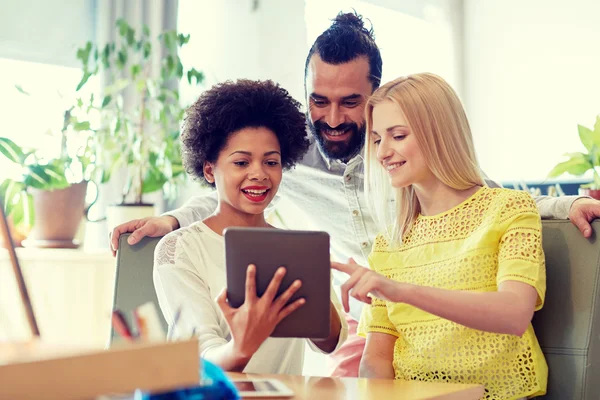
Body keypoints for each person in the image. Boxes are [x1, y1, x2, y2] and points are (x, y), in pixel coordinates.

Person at [112, 12, 600, 377]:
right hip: (369, 320)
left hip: (395, 315)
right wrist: (172, 220)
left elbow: (478, 194)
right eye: (319, 101)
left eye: (351, 103)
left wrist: (566, 203)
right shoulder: (286, 151)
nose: (333, 118)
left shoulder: (405, 159)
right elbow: (234, 188)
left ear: (376, 93)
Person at [333, 73, 546, 399]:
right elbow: (376, 359)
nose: (383, 153)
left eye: (398, 135)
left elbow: (514, 313)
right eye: (377, 139)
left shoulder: (509, 209)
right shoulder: (388, 245)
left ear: (439, 134)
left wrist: (400, 291)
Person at [153, 79, 347, 374]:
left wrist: (312, 280)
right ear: (209, 169)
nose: (259, 174)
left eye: (271, 162)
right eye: (241, 163)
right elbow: (199, 360)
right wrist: (241, 346)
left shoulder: (297, 248)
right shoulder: (179, 249)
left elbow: (330, 342)